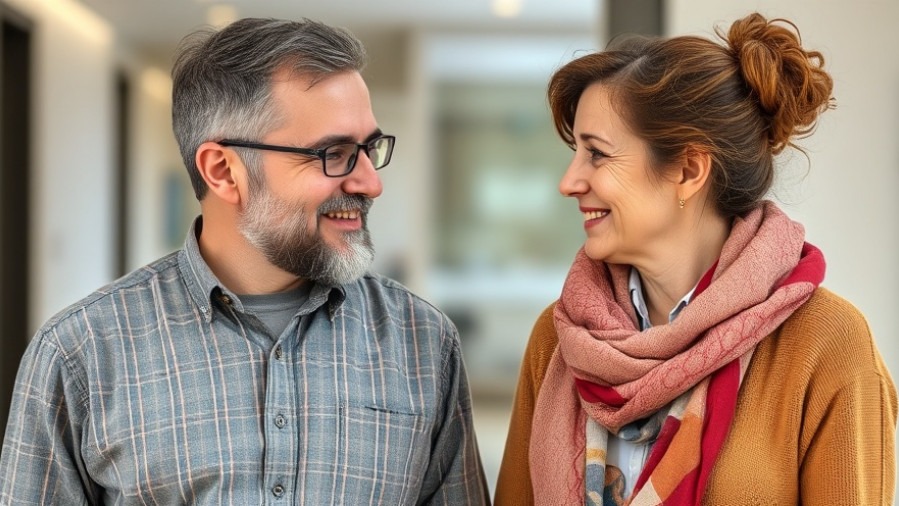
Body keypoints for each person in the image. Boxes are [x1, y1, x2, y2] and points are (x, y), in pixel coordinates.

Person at [0, 18, 489, 505]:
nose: (370, 182)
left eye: (368, 150)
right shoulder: (79, 354)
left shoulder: (424, 342)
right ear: (223, 171)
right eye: (333, 153)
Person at [495, 12, 896, 506]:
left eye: (596, 154)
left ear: (687, 170)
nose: (569, 181)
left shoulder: (827, 345)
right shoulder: (559, 340)